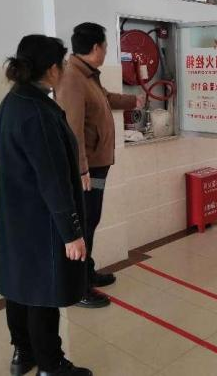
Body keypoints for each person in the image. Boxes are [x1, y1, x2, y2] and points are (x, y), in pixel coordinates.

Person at [0, 35, 92, 376]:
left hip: (17, 218)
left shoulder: (14, 102)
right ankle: (51, 366)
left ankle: (23, 354)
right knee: (43, 292)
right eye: (62, 64)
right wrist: (72, 233)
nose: (64, 70)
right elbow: (52, 179)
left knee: (20, 287)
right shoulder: (37, 112)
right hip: (42, 220)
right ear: (52, 69)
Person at [56, 22, 144, 307]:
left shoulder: (88, 76)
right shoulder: (72, 78)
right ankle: (79, 287)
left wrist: (133, 101)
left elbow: (105, 99)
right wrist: (81, 168)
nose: (106, 52)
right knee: (84, 223)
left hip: (96, 165)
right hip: (87, 170)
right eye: (105, 47)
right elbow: (73, 130)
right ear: (96, 47)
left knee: (91, 220)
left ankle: (87, 271)